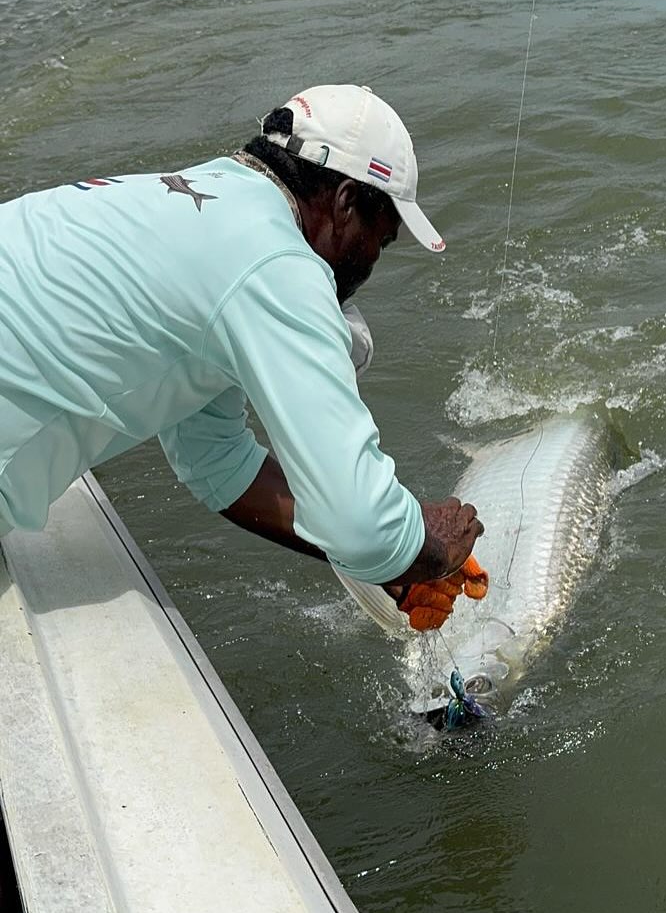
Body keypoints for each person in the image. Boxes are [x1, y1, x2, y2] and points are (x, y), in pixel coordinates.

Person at [0, 83, 486, 631]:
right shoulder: (278, 266)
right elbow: (362, 524)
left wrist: (396, 565)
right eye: (382, 239)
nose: (372, 263)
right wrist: (423, 545)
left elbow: (214, 459)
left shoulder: (210, 202)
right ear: (347, 203)